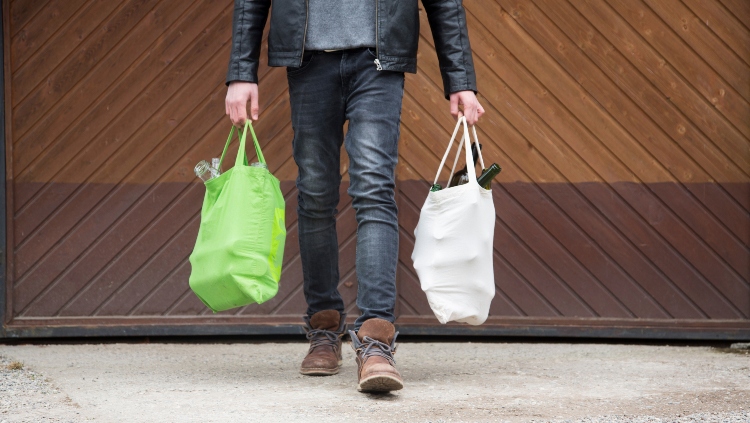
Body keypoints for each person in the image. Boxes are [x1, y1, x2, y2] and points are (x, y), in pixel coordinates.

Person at [225, 0, 484, 393]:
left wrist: (460, 78)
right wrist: (242, 72)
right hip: (309, 61)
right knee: (314, 193)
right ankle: (324, 330)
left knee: (374, 189)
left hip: (378, 61)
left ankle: (377, 340)